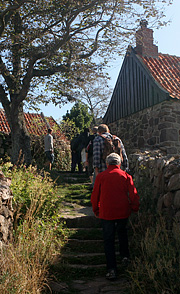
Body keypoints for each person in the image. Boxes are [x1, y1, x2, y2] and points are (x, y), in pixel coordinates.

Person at [91, 153, 140, 280]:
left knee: (109, 240)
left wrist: (96, 209)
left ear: (107, 164)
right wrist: (134, 207)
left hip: (106, 212)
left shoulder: (101, 177)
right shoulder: (125, 176)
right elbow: (133, 194)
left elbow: (95, 195)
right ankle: (125, 257)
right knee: (122, 233)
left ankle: (111, 269)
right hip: (123, 211)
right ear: (119, 164)